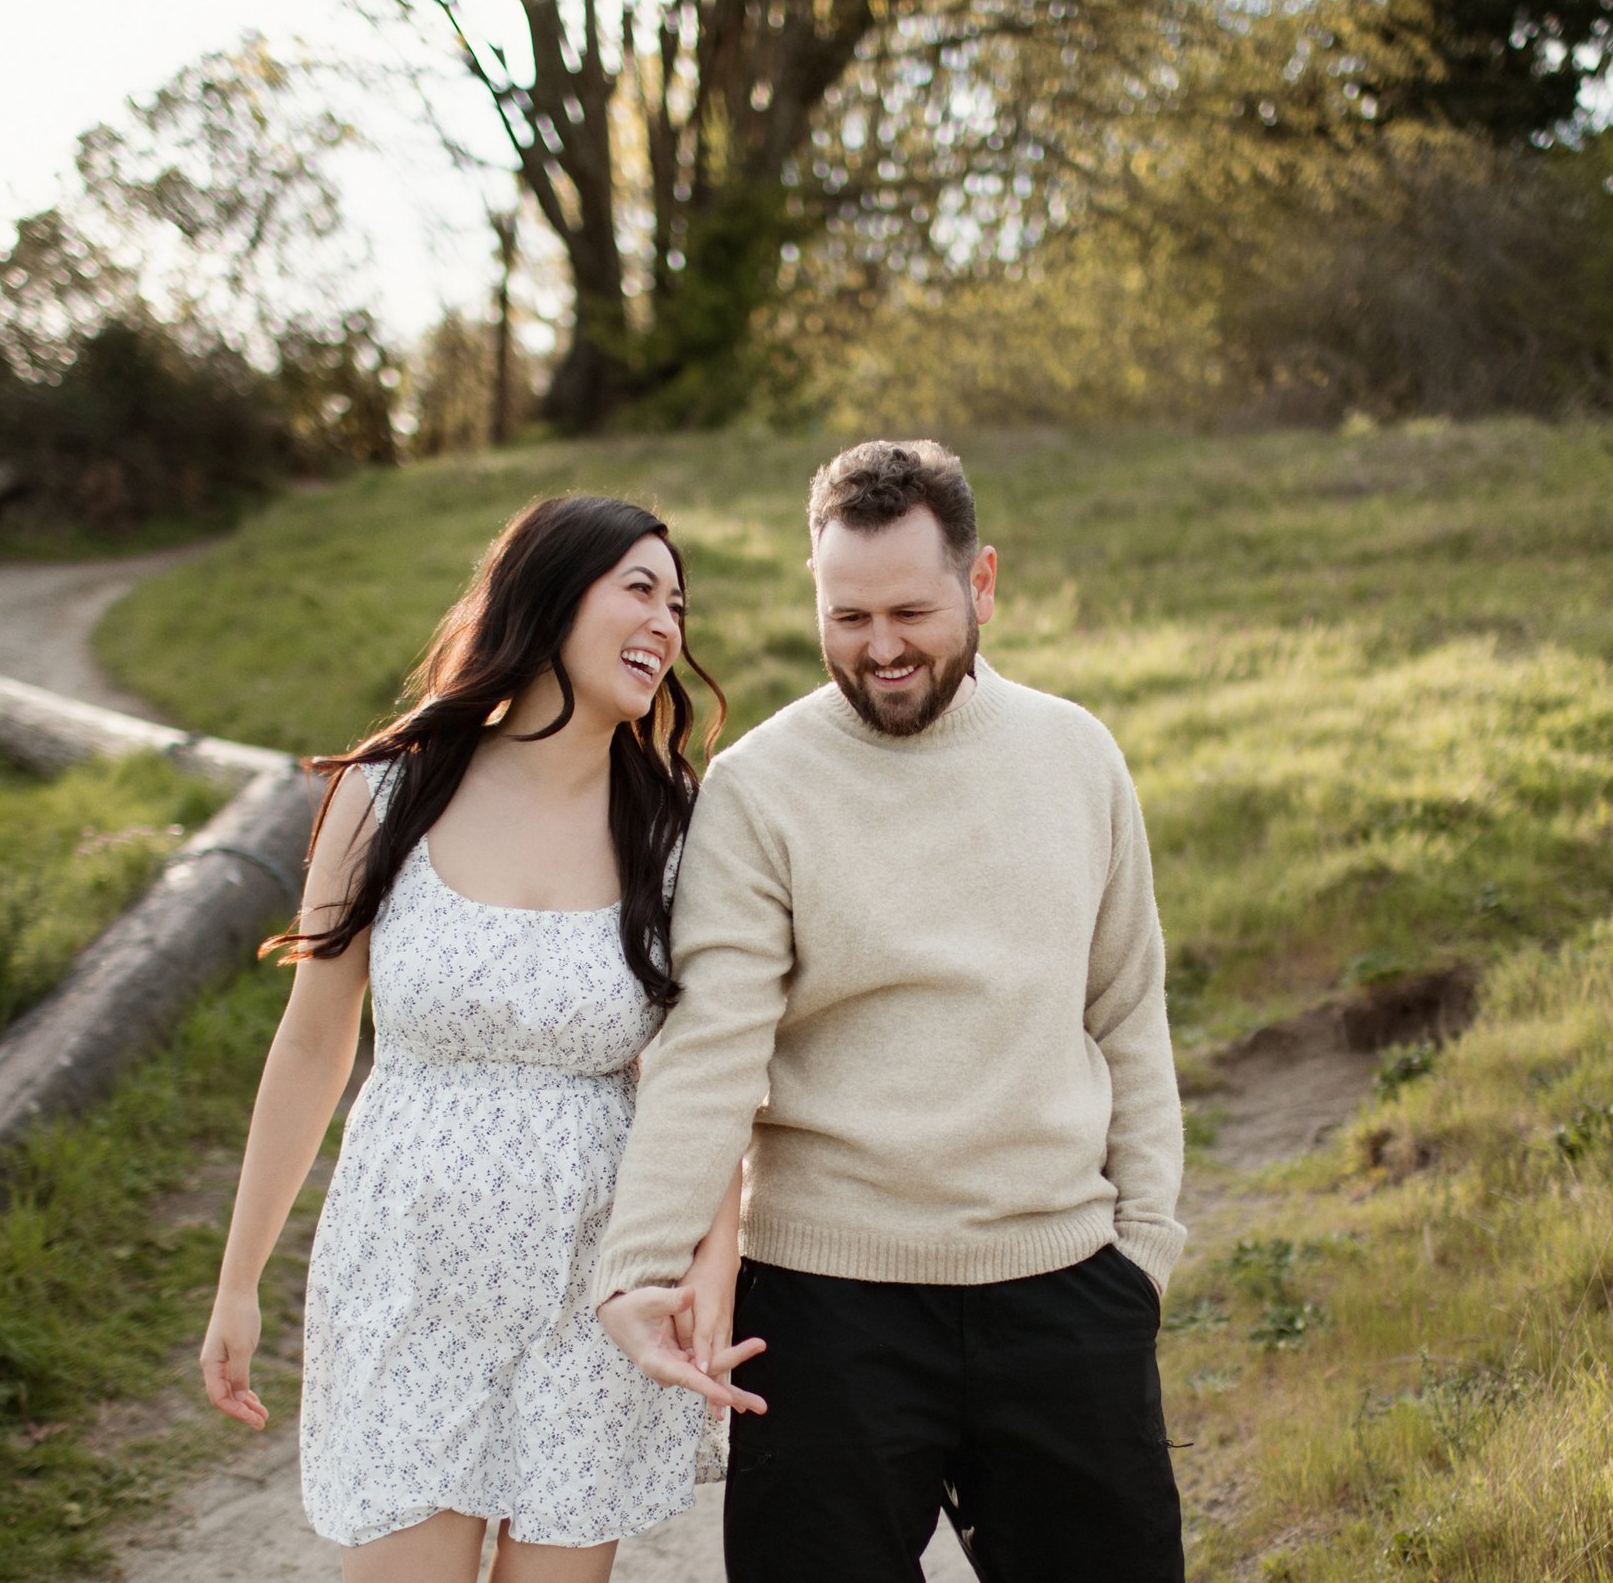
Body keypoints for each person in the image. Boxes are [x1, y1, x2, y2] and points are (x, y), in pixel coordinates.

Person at [595, 440, 1189, 1581]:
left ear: (981, 582)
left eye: (911, 612)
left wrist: (1144, 1249)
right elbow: (711, 1045)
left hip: (1064, 1289)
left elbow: (1126, 1011)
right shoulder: (759, 787)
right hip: (826, 1310)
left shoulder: (1076, 757)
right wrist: (643, 1263)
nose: (880, 648)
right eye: (848, 615)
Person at [198, 494, 761, 1583]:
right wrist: (237, 1281)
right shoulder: (390, 792)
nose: (666, 623)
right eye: (639, 590)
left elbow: (708, 1067)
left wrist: (711, 1265)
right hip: (408, 1272)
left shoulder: (675, 824)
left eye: (678, 605)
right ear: (549, 597)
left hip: (591, 1283)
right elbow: (312, 1045)